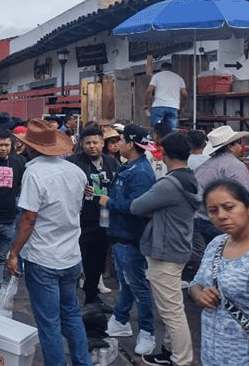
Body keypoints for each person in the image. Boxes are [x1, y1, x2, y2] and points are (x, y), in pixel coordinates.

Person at [6, 118, 93, 366]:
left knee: (49, 322)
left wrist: (14, 253)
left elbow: (28, 219)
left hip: (43, 258)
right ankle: (82, 362)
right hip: (71, 256)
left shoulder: (34, 172)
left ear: (31, 147)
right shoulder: (75, 171)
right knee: (72, 313)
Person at [131, 132, 200, 366]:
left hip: (165, 251)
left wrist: (154, 210)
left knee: (171, 312)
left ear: (166, 155)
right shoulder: (189, 178)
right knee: (174, 307)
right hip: (179, 247)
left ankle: (181, 359)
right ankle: (169, 351)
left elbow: (136, 206)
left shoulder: (169, 184)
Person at [189, 179, 249, 366]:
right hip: (210, 355)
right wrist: (199, 294)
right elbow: (195, 283)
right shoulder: (217, 243)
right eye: (213, 211)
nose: (221, 216)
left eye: (229, 207)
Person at [99, 125, 157, 356]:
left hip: (130, 238)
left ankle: (147, 331)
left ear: (131, 144)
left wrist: (109, 202)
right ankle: (121, 319)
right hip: (120, 235)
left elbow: (139, 207)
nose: (118, 143)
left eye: (121, 139)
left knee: (138, 286)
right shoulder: (129, 166)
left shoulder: (141, 173)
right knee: (127, 282)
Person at [67, 126, 119, 307]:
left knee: (97, 261)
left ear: (102, 143)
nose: (91, 146)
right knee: (74, 260)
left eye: (95, 142)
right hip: (79, 220)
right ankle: (69, 299)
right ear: (82, 144)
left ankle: (91, 297)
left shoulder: (112, 163)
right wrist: (79, 190)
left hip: (104, 219)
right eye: (87, 143)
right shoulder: (73, 163)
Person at [194, 126, 249, 247]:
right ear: (230, 147)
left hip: (203, 219)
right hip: (223, 223)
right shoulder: (235, 166)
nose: (240, 147)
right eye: (238, 143)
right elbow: (246, 196)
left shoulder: (205, 165)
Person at [0, 128, 25, 284]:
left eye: (7, 145)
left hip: (9, 220)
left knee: (1, 259)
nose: (3, 148)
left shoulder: (19, 162)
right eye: (0, 144)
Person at [143, 62, 187, 130]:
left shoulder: (156, 76)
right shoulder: (179, 78)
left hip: (158, 106)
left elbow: (149, 91)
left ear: (161, 69)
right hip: (173, 107)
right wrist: (182, 107)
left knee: (156, 130)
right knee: (172, 131)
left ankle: (155, 140)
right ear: (171, 69)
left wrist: (146, 104)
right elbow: (184, 94)